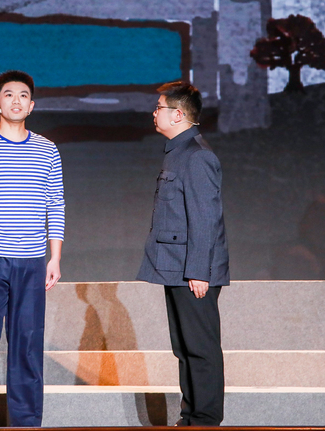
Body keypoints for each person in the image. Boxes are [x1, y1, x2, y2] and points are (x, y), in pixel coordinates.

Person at [0, 70, 65, 427]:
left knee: (28, 345)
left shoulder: (47, 150)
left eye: (23, 96)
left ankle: (26, 423)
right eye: (8, 95)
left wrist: (55, 257)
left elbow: (56, 204)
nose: (16, 101)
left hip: (32, 260)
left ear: (31, 106)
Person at [137, 82, 229, 426]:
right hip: (176, 267)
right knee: (184, 347)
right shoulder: (178, 152)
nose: (154, 113)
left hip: (192, 271)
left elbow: (205, 218)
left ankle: (204, 419)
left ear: (177, 115)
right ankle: (190, 417)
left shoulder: (197, 155)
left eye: (159, 107)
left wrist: (199, 271)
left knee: (200, 348)